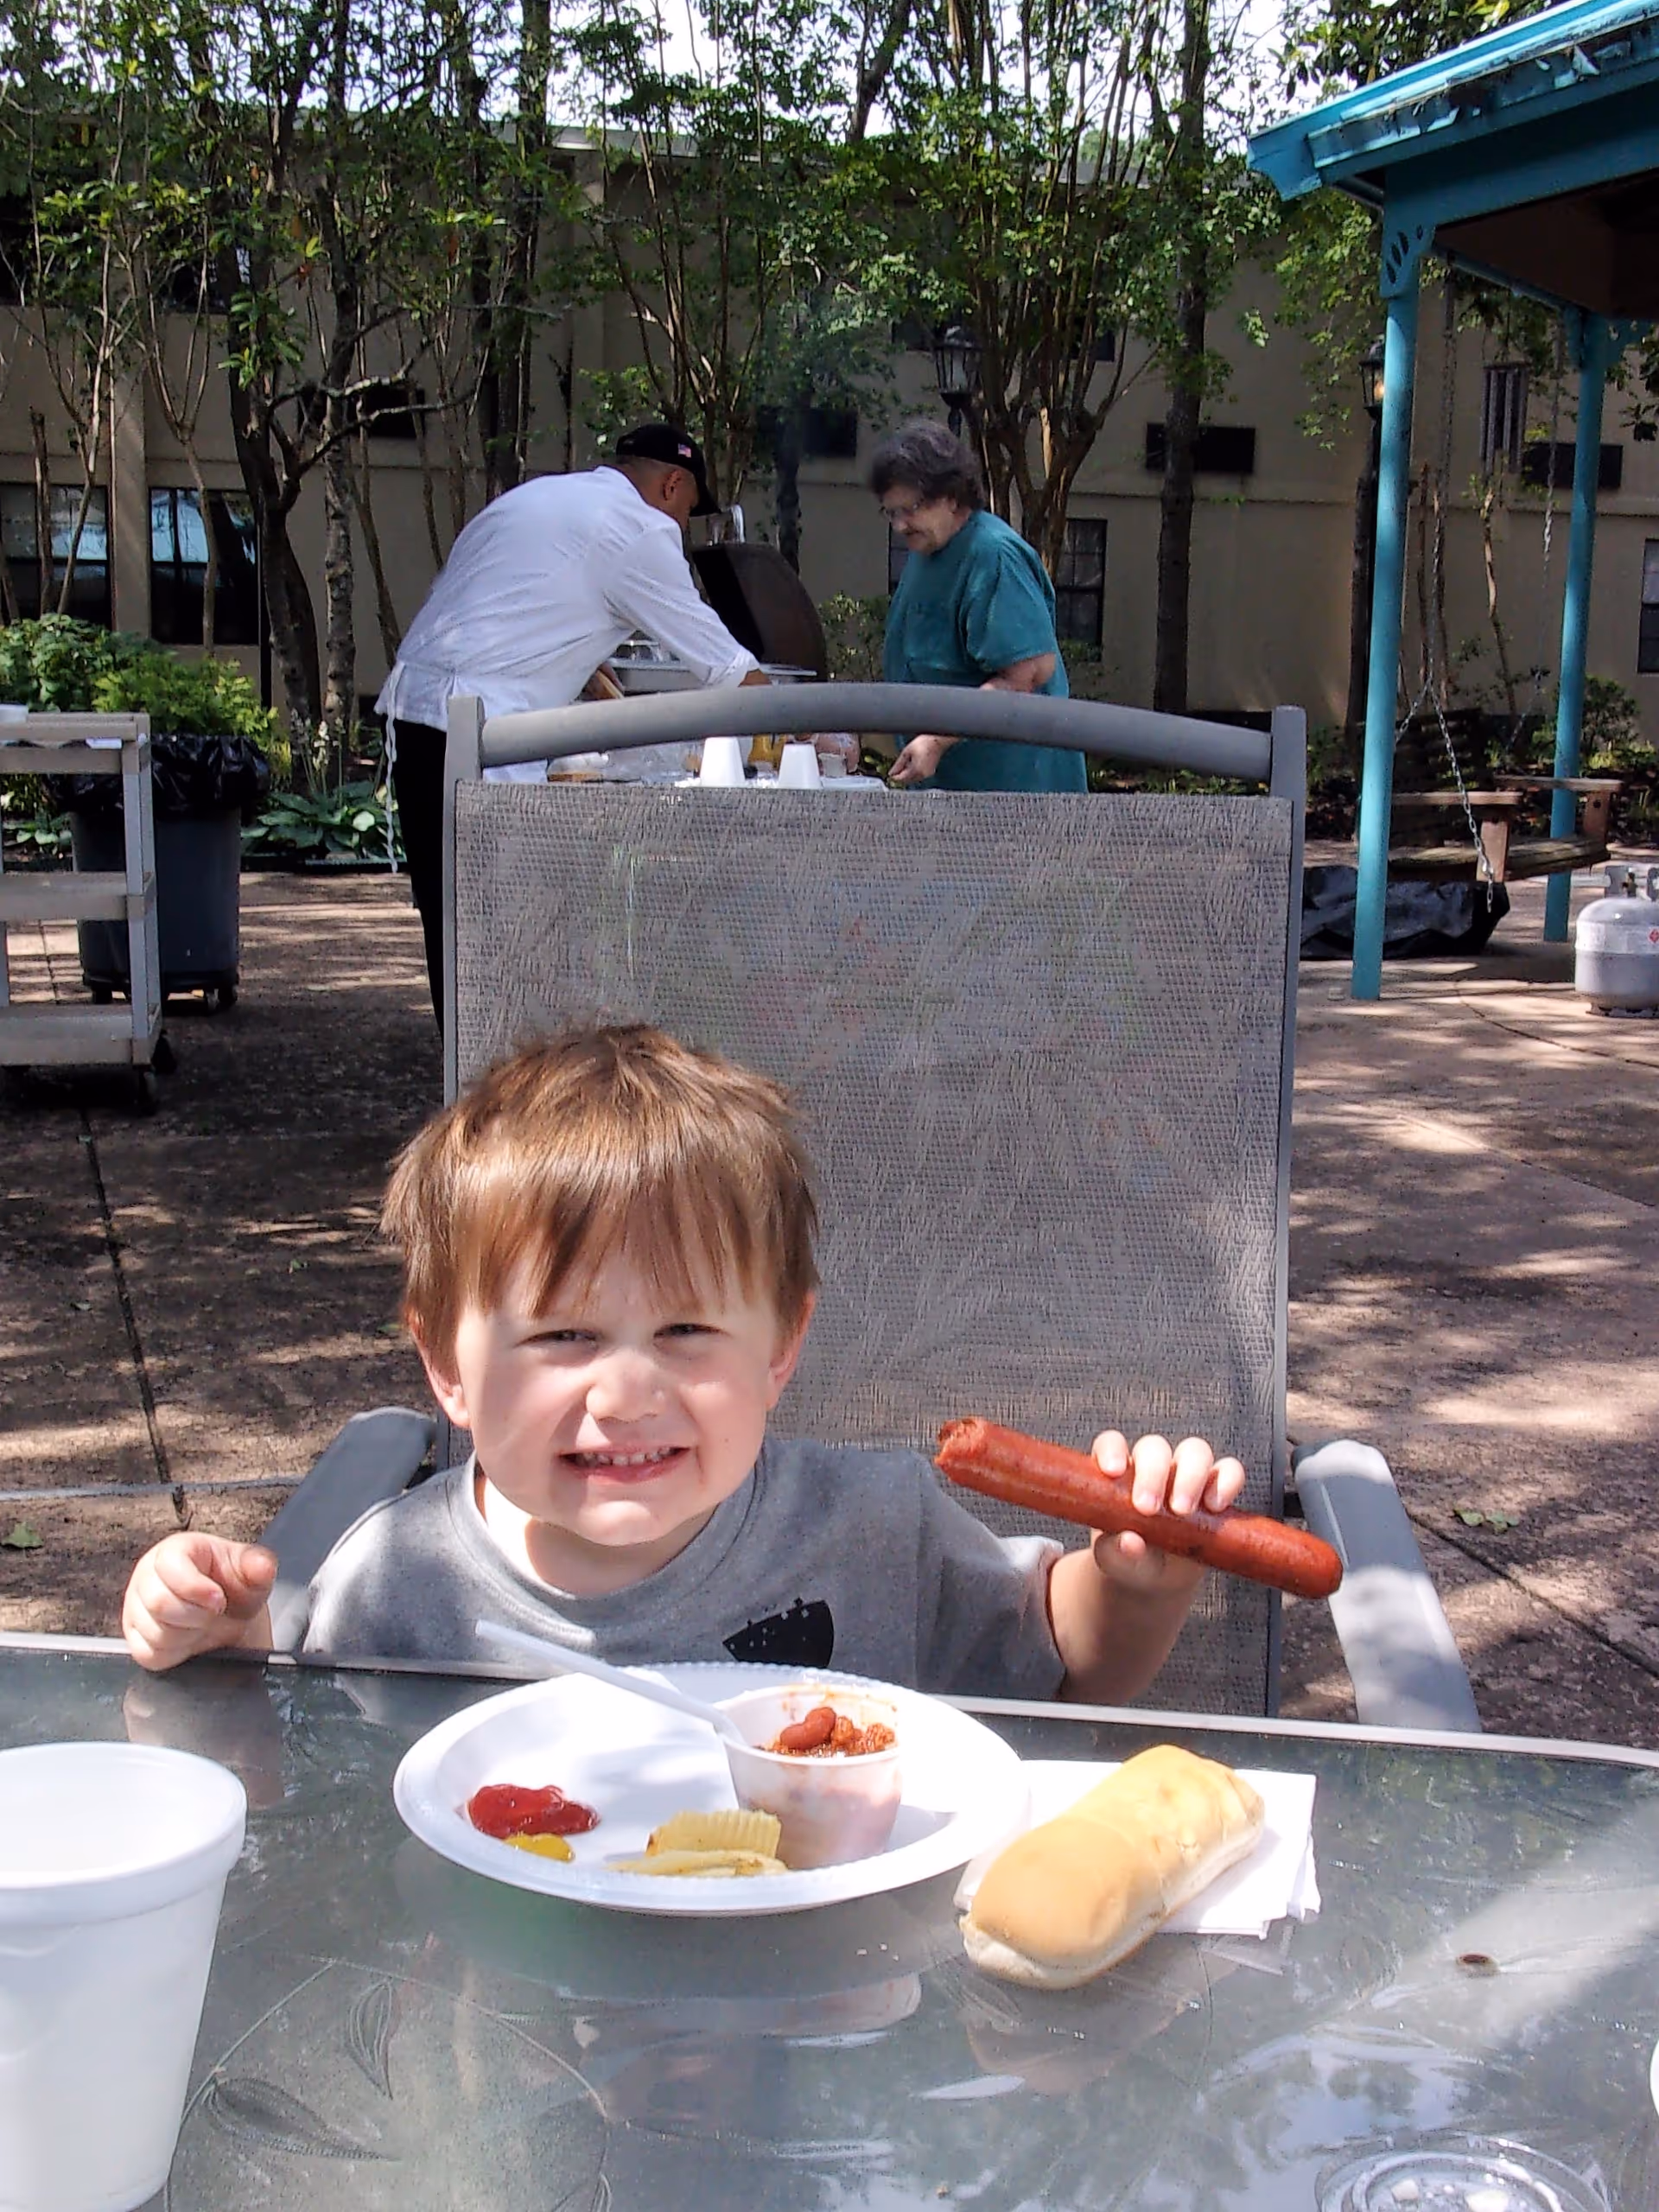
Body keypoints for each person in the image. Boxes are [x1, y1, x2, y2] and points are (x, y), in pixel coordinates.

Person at [122, 1026, 1245, 1699]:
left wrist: (1138, 1584)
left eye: (688, 1334)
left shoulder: (874, 1527)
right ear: (447, 1368)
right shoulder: (396, 1581)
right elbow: (303, 1787)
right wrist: (221, 1646)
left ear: (782, 1349)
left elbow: (1069, 1661)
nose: (626, 1392)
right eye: (562, 1336)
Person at [376, 424, 769, 1020]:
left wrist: (578, 659)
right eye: (688, 510)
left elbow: (494, 611)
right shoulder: (639, 530)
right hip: (486, 734)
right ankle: (515, 1090)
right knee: (507, 930)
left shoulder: (534, 498)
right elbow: (726, 669)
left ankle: (469, 1089)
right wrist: (811, 728)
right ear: (670, 485)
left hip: (415, 715)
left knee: (451, 923)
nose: (683, 528)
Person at [873, 422, 1088, 794]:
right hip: (951, 796)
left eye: (911, 508)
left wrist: (936, 740)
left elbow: (1028, 675)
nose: (900, 525)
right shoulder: (927, 550)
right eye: (891, 512)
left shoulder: (993, 555)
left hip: (1016, 799)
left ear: (953, 497)